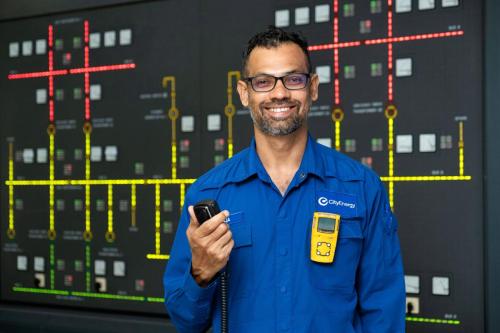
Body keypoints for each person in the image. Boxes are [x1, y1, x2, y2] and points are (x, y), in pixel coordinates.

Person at [163, 26, 405, 332]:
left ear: (313, 87)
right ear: (244, 93)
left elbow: (384, 311)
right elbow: (185, 320)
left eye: (293, 79)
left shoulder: (361, 188)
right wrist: (201, 272)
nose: (279, 93)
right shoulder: (209, 192)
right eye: (263, 82)